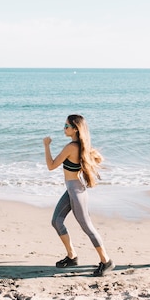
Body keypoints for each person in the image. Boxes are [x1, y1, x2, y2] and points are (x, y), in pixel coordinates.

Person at [43, 114, 115, 277]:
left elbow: (51, 166)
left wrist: (46, 146)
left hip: (75, 191)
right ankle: (72, 256)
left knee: (87, 227)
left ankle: (106, 261)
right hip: (72, 189)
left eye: (67, 126)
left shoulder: (71, 147)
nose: (64, 128)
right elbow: (96, 158)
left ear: (75, 129)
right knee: (56, 221)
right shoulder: (81, 146)